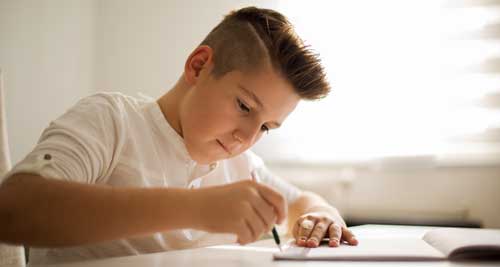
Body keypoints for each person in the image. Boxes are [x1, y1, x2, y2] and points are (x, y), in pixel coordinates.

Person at [0, 6, 357, 264]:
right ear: (199, 66)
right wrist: (197, 209)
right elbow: (13, 209)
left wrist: (322, 215)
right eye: (245, 107)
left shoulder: (242, 165)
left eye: (265, 127)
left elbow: (301, 204)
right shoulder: (112, 122)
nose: (246, 138)